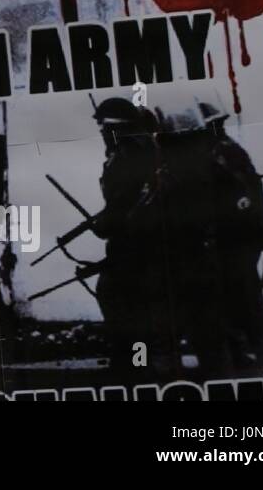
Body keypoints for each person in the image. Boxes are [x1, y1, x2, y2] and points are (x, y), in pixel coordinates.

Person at [89, 97, 172, 375]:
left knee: (118, 300)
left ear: (116, 129)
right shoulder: (144, 148)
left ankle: (132, 368)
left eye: (103, 128)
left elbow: (122, 203)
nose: (100, 134)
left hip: (134, 246)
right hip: (147, 245)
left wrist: (103, 224)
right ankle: (138, 365)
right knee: (135, 307)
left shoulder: (127, 155)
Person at [199, 104, 263, 371]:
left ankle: (262, 360)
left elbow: (244, 200)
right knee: (237, 302)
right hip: (237, 243)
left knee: (246, 303)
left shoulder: (224, 154)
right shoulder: (225, 151)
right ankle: (254, 358)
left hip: (235, 244)